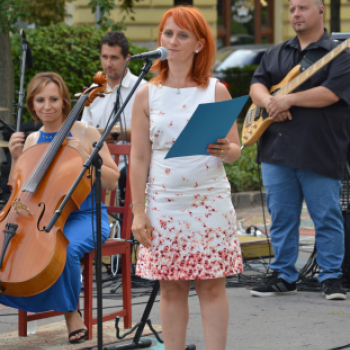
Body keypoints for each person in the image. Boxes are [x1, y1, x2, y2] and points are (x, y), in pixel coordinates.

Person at [130, 6, 243, 350]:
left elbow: (236, 147)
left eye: (182, 35)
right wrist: (138, 211)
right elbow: (138, 157)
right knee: (171, 286)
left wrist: (228, 150)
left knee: (211, 285)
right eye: (168, 33)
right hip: (164, 203)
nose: (173, 40)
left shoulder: (215, 90)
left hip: (209, 202)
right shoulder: (147, 93)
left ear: (198, 43)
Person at [0, 72, 120, 343]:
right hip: (40, 217)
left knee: (63, 248)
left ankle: (71, 315)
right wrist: (15, 157)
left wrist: (87, 158)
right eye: (40, 100)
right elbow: (17, 189)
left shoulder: (85, 132)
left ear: (65, 101)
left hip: (85, 216)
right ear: (32, 104)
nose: (47, 106)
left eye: (53, 99)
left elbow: (113, 181)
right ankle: (22, 293)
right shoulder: (31, 140)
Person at [249, 0, 350, 300]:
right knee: (281, 216)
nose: (296, 14)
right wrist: (269, 102)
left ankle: (331, 277)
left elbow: (332, 93)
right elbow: (257, 84)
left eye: (303, 7)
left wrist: (289, 100)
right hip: (276, 149)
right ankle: (284, 275)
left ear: (320, 10)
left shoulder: (340, 53)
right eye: (292, 9)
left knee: (326, 215)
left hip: (319, 149)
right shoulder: (276, 52)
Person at [81, 31, 145, 203]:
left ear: (127, 58)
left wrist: (119, 135)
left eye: (114, 58)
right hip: (98, 172)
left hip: (133, 173)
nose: (108, 64)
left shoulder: (143, 90)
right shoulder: (93, 92)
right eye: (104, 57)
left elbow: (155, 134)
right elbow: (82, 133)